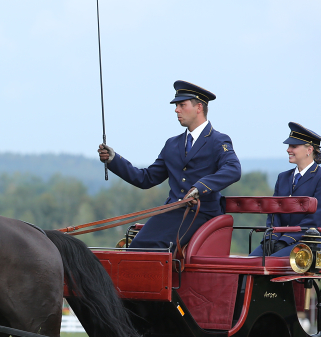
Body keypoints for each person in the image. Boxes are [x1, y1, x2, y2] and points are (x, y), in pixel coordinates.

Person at [97, 80, 241, 250]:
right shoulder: (172, 144)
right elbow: (146, 178)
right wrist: (114, 160)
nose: (176, 109)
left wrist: (199, 188)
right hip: (171, 212)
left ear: (199, 107)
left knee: (155, 247)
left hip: (201, 213)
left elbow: (233, 169)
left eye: (182, 105)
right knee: (135, 247)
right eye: (176, 105)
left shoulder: (218, 140)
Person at [250, 123, 321, 257]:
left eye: (293, 146)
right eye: (289, 146)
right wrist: (271, 238)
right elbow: (274, 212)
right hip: (279, 239)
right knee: (249, 263)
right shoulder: (283, 177)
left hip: (310, 241)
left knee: (269, 263)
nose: (288, 150)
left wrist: (287, 239)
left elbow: (315, 217)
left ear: (309, 150)